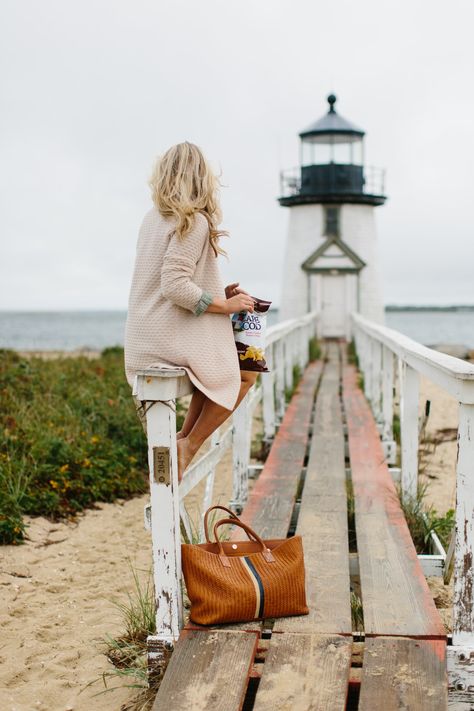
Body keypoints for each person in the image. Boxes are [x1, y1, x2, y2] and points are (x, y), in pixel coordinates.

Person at [124, 141, 257, 481]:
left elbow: (168, 279)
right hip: (166, 339)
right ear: (202, 178)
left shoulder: (151, 219)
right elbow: (173, 285)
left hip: (143, 338)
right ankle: (189, 443)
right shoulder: (193, 220)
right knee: (244, 375)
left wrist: (216, 295)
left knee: (213, 377)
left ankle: (180, 441)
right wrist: (225, 305)